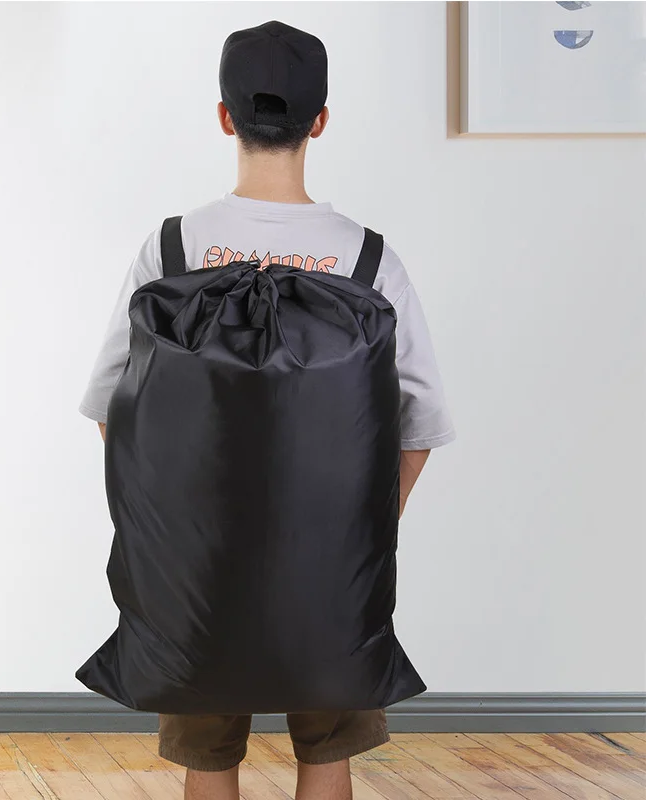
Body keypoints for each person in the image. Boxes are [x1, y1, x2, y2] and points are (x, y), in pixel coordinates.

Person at [78, 19, 455, 800]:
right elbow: (420, 423)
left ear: (225, 117)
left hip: (196, 580)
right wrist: (362, 529)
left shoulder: (172, 249)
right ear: (321, 120)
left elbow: (114, 407)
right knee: (328, 754)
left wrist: (170, 532)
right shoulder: (368, 258)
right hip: (334, 581)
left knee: (208, 761)